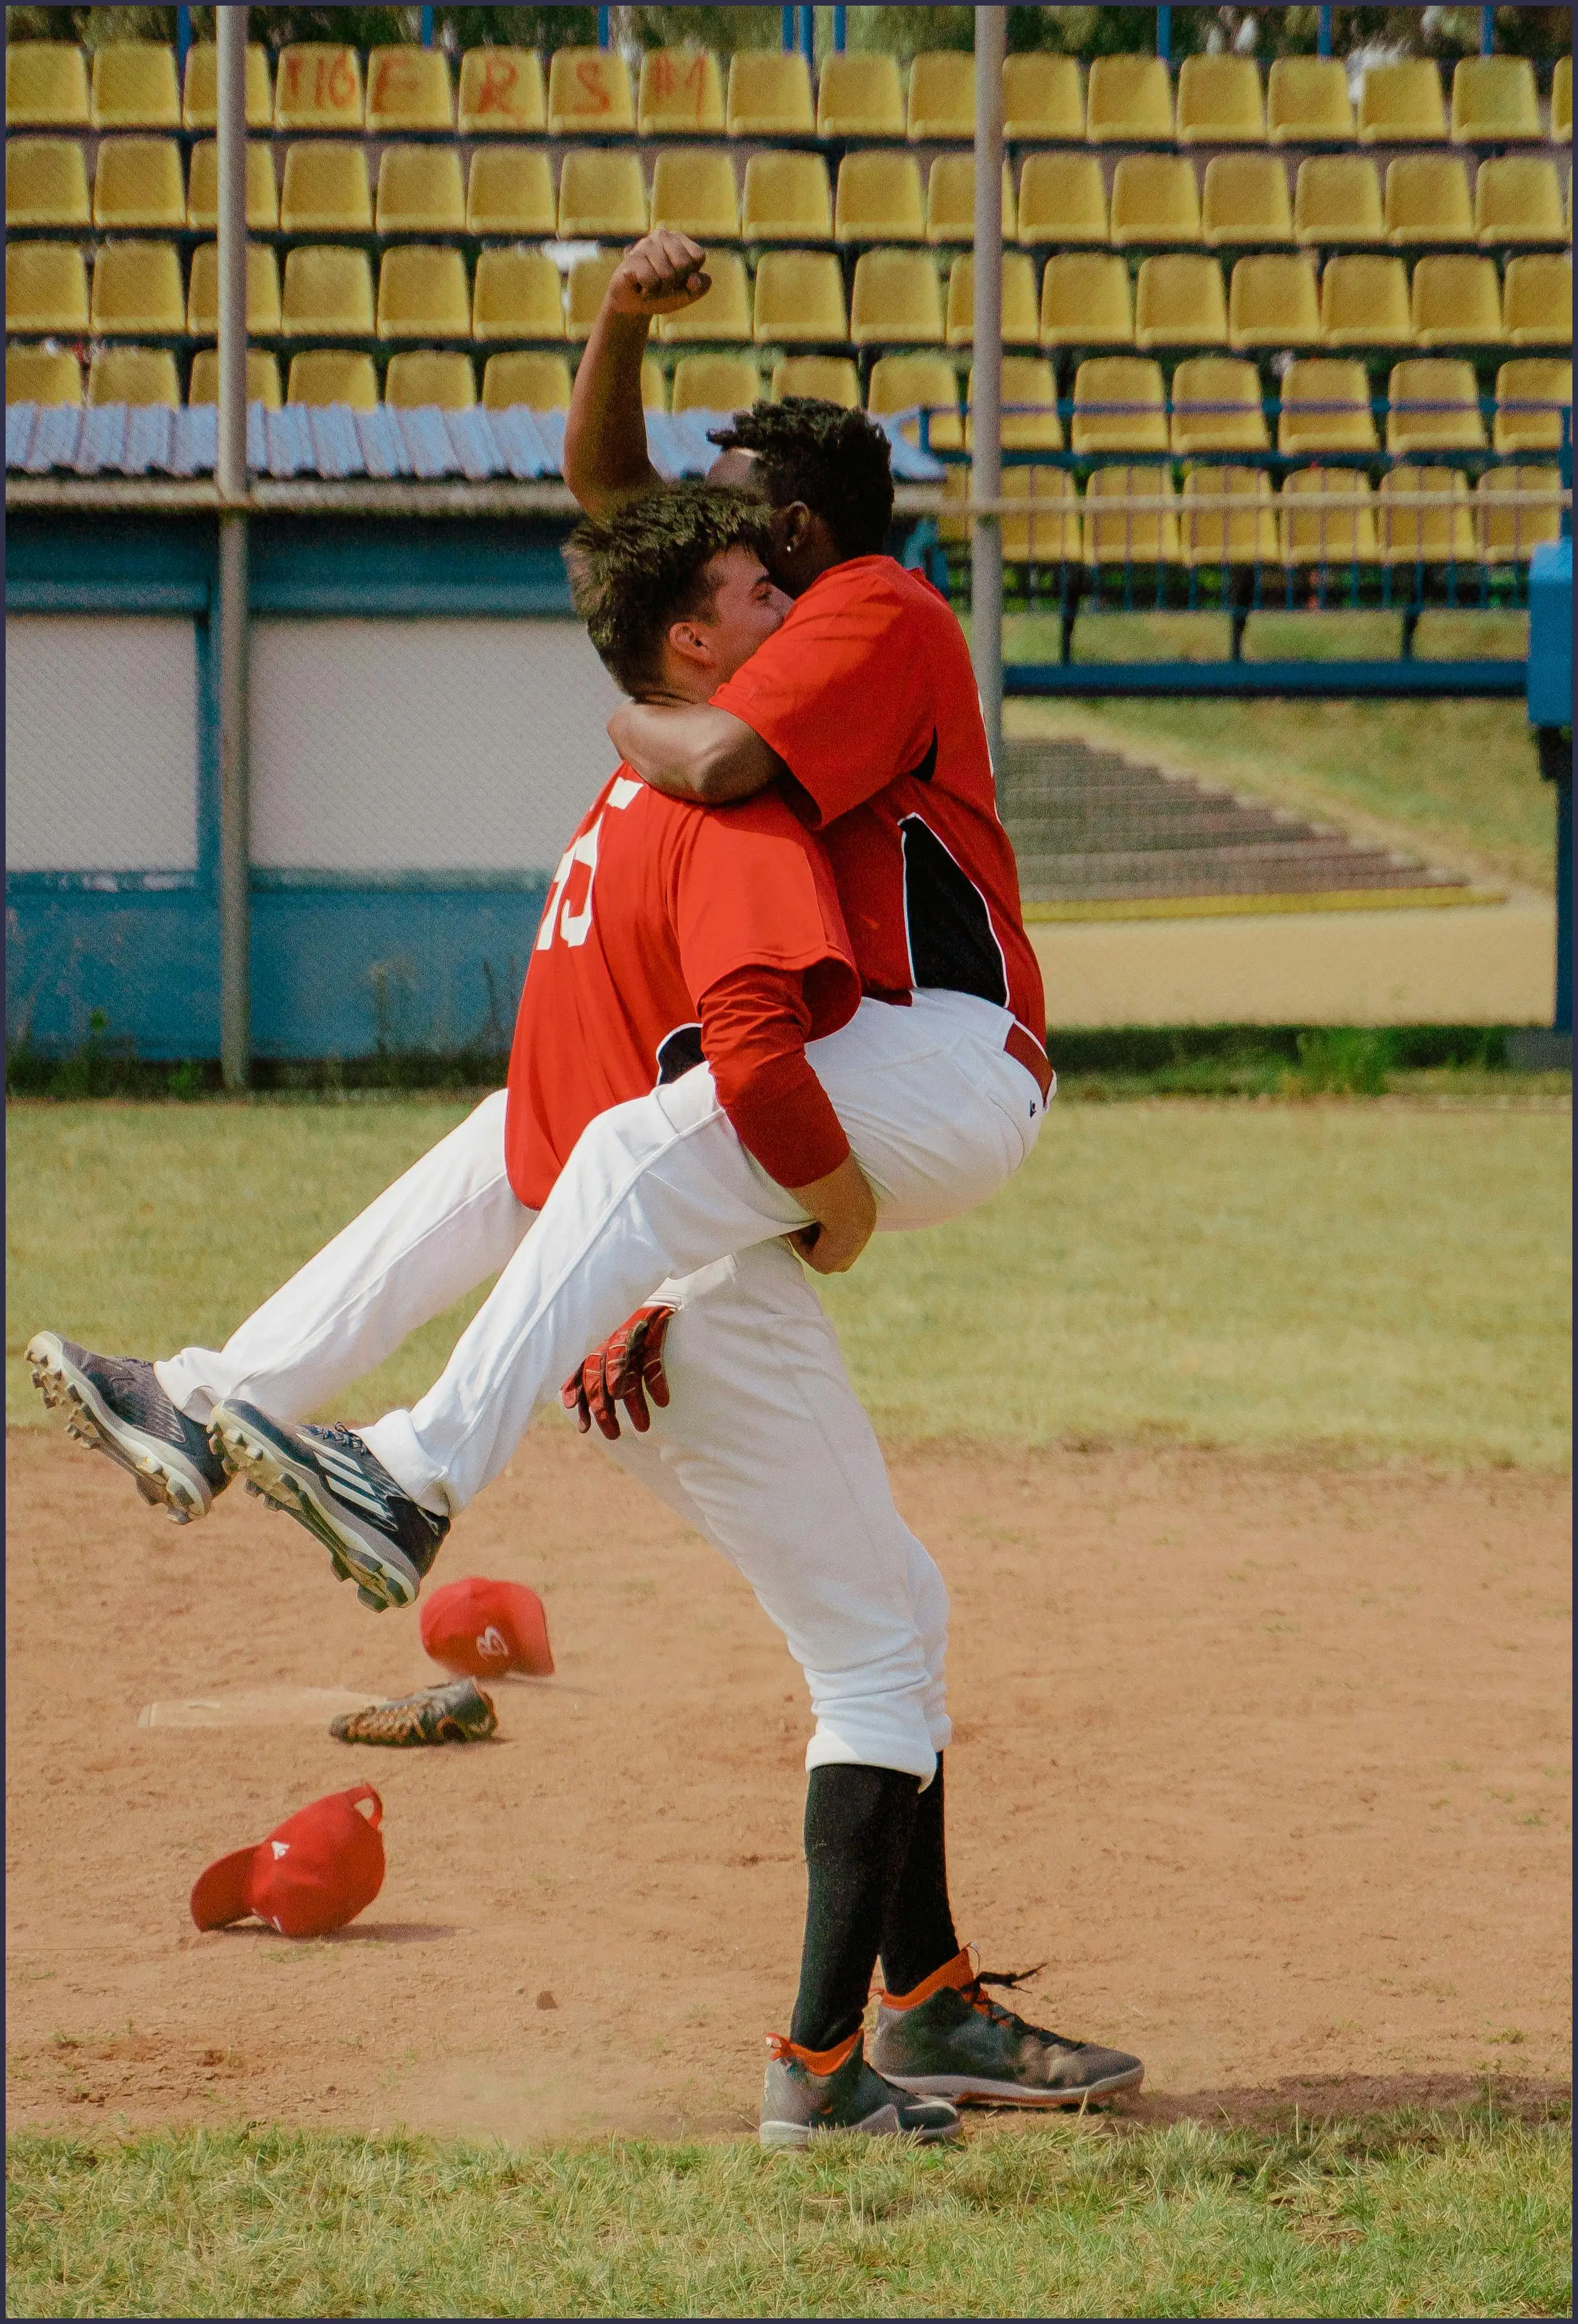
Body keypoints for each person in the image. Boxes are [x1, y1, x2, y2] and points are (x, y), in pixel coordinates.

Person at [31, 489, 1142, 2142]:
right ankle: (823, 2074)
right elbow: (746, 1070)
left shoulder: (612, 808)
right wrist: (831, 1220)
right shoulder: (745, 809)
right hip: (685, 1298)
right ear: (698, 641)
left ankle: (215, 1399)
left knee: (885, 1608)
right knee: (880, 1661)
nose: (801, 612)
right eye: (767, 591)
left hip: (623, 1278)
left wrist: (599, 1281)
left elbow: (543, 1127)